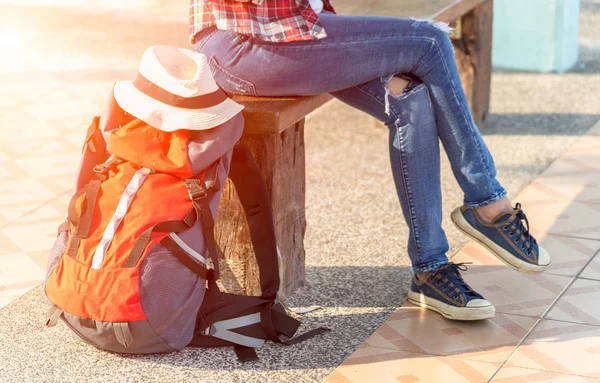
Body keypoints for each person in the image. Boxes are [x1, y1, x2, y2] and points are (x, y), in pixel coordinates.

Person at [189, 0, 551, 321]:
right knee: (429, 41)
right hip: (247, 44)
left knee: (413, 98)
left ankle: (430, 269)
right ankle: (488, 202)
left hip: (299, 32)